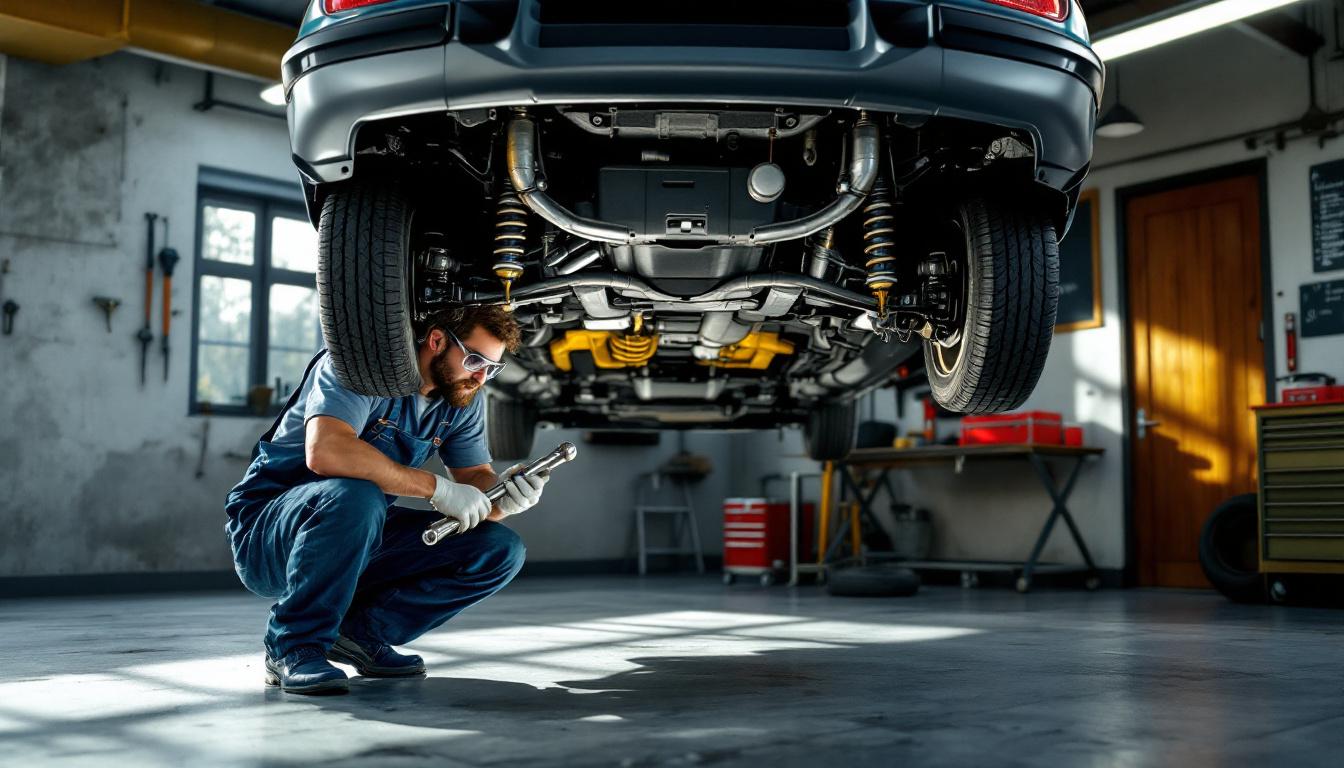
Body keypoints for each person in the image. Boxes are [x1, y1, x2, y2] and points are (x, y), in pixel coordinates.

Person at [224, 306, 546, 695]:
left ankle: (358, 634)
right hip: (268, 532)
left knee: (499, 549)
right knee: (356, 494)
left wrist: (505, 496)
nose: (480, 376)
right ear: (437, 340)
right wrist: (438, 489)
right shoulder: (359, 366)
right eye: (475, 360)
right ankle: (292, 646)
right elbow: (327, 452)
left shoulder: (461, 397)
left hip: (359, 528)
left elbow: (475, 481)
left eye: (491, 368)